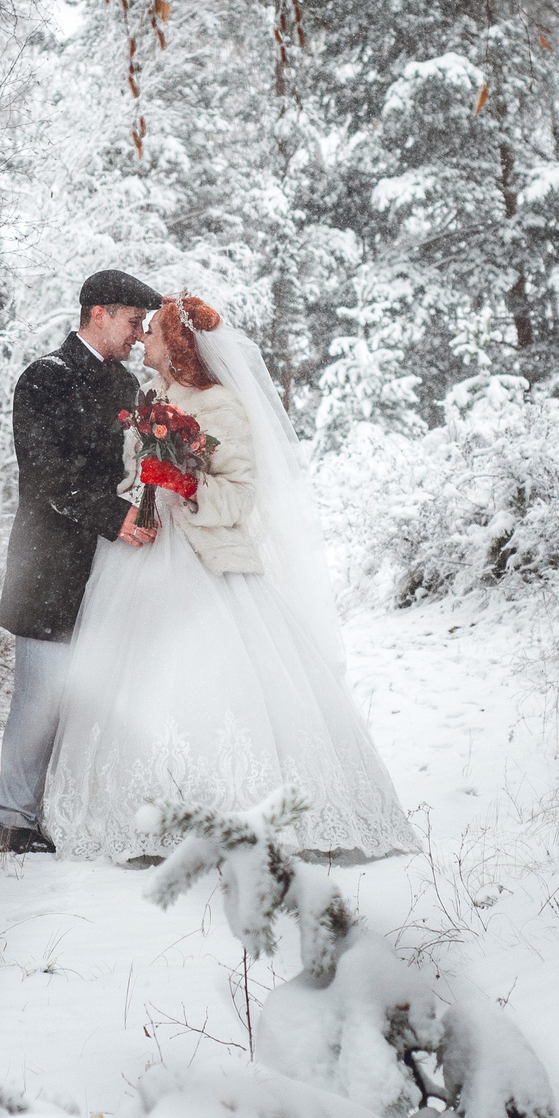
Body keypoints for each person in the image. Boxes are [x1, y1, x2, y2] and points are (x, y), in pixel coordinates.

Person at [43, 295, 417, 864]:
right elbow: (131, 476)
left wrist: (184, 482)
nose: (143, 339)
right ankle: (145, 817)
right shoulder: (148, 400)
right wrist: (135, 499)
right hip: (141, 556)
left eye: (155, 333)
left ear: (179, 345)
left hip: (207, 563)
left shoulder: (222, 406)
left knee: (212, 683)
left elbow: (239, 497)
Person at [0, 268, 166, 856]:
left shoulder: (125, 387)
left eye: (145, 327)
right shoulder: (45, 378)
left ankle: (66, 814)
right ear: (100, 313)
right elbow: (46, 477)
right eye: (134, 322)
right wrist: (115, 518)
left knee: (93, 702)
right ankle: (11, 825)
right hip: (50, 567)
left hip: (112, 570)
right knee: (40, 699)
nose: (140, 335)